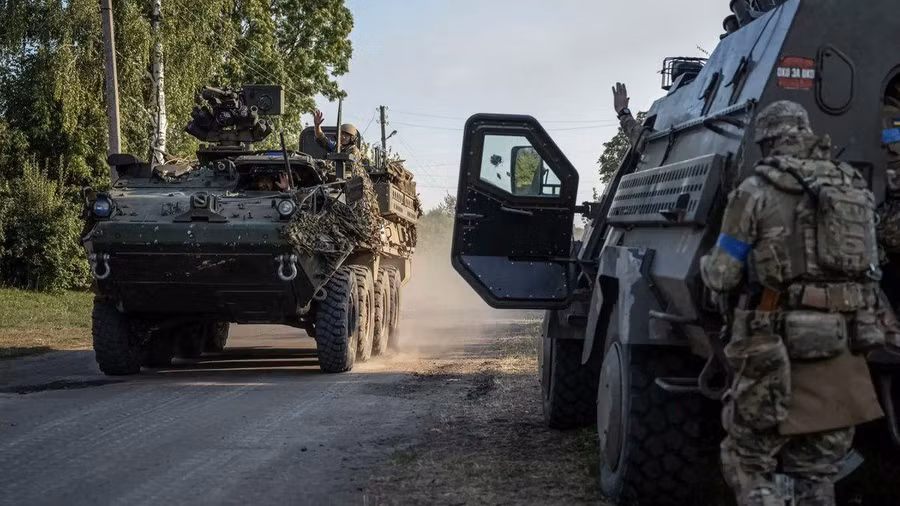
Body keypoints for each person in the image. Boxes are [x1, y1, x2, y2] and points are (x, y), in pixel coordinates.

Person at [700, 100, 884, 506]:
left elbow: (723, 273)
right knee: (817, 473)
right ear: (805, 134)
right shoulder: (852, 186)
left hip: (774, 346)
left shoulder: (755, 190)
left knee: (747, 461)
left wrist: (706, 268)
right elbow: (872, 268)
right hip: (841, 347)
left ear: (767, 142)